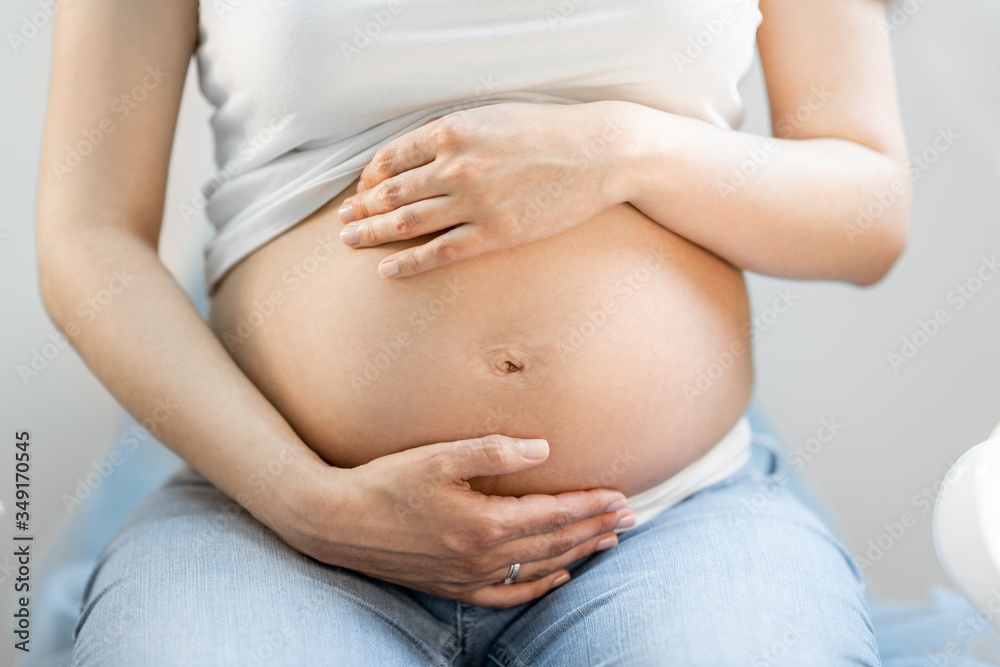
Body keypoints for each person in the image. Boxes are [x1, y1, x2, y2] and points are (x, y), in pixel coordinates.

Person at [36, 0, 909, 663]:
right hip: (271, 527)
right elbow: (88, 235)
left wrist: (623, 148)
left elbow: (869, 209)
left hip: (668, 518)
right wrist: (311, 505)